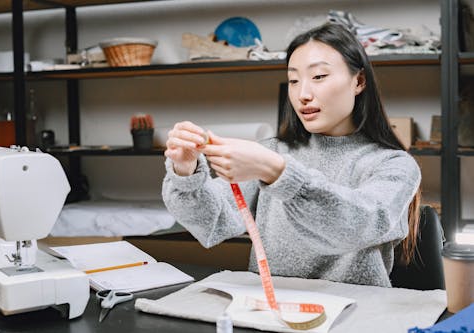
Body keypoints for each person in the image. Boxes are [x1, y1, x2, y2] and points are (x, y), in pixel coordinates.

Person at [162, 23, 421, 287]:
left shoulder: (393, 164)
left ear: (359, 81)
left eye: (319, 76)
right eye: (294, 80)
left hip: (356, 314)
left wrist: (278, 173)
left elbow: (358, 225)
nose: (303, 95)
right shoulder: (271, 152)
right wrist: (186, 172)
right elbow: (213, 222)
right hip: (272, 313)